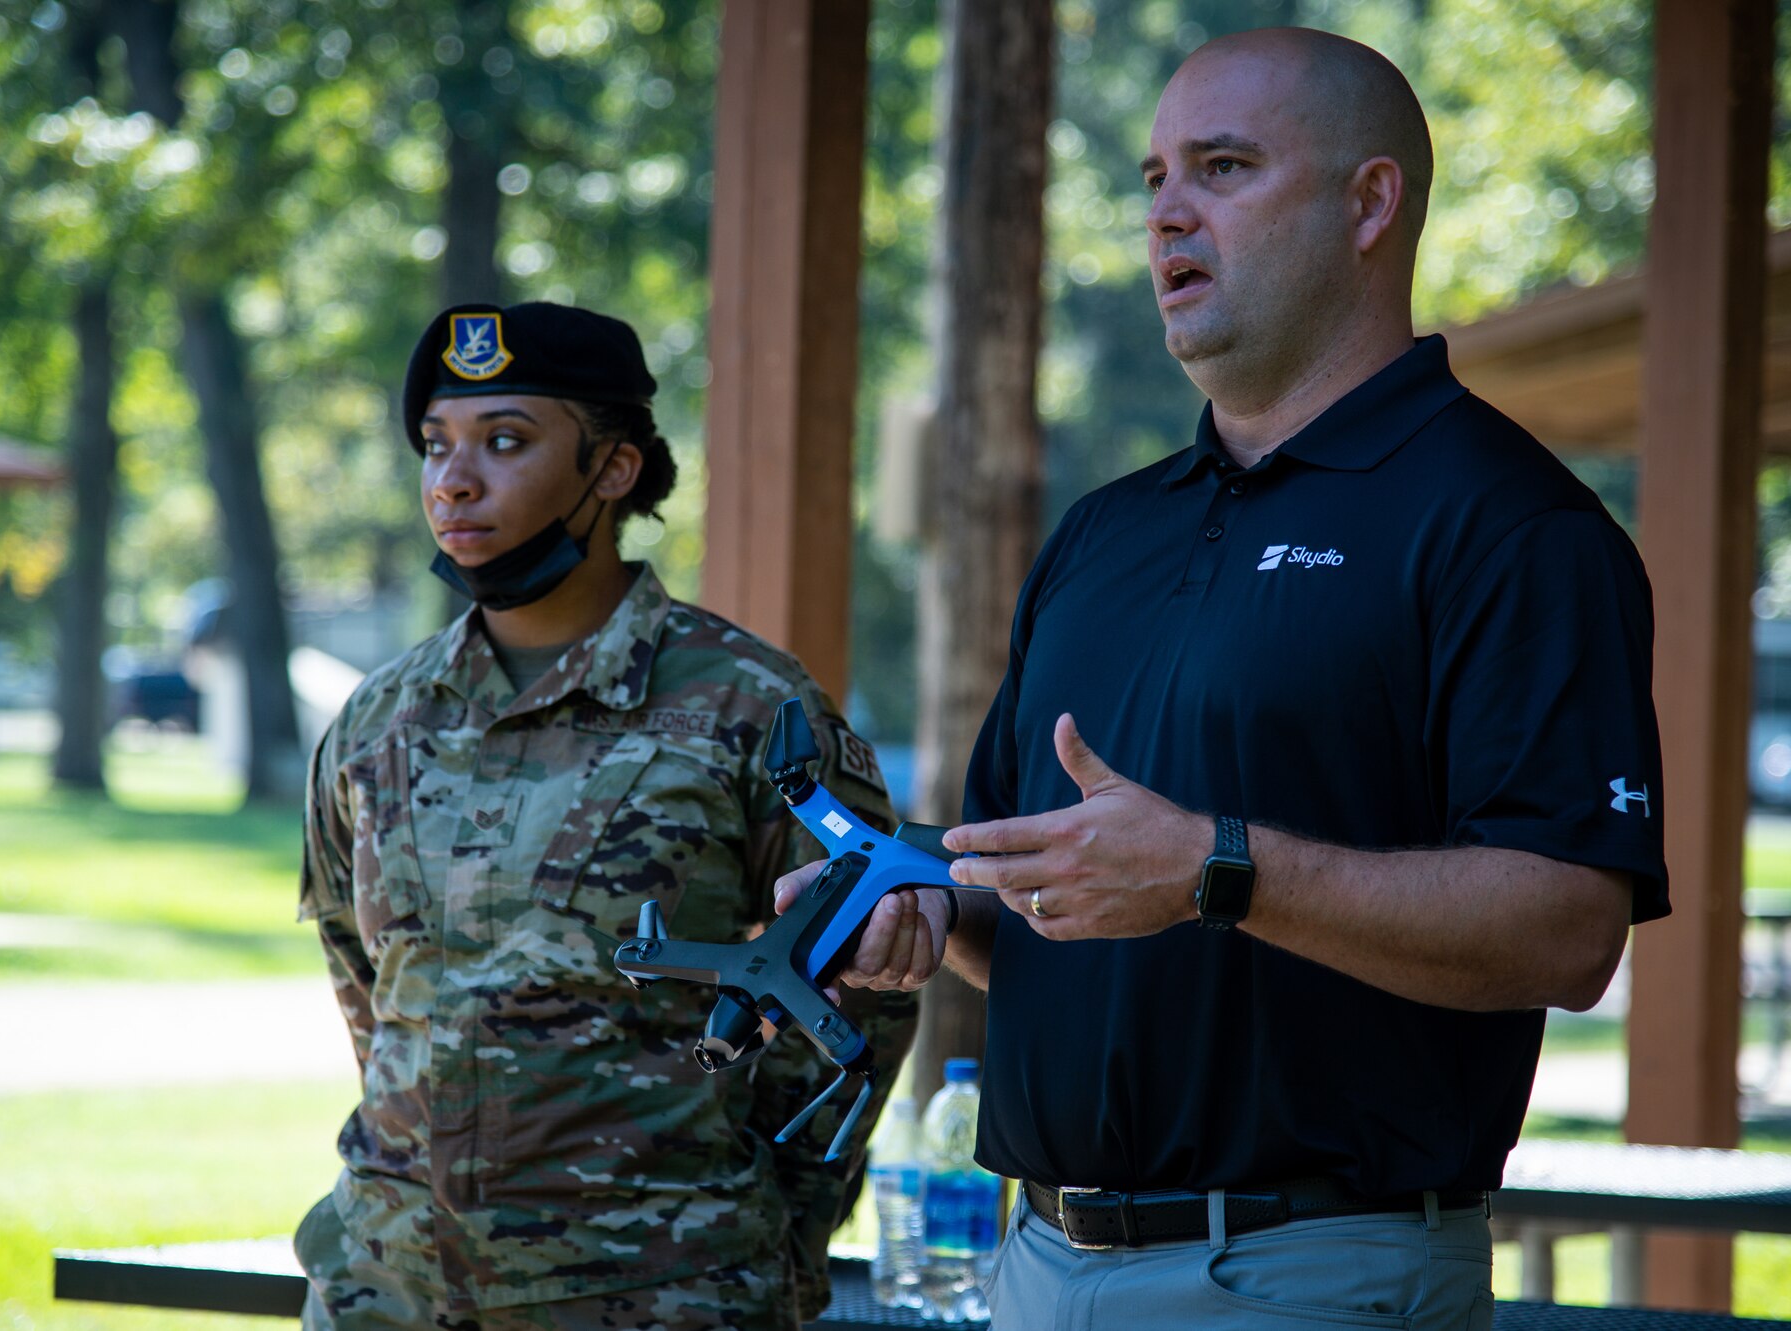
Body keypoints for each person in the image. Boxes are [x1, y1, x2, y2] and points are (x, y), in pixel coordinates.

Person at [782, 26, 1668, 1329]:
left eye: (1225, 167)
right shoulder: (1103, 531)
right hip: (1033, 1263)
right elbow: (1037, 896)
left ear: (1370, 202)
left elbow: (1569, 928)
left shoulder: (1510, 525)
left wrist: (1221, 868)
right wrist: (904, 899)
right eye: (1151, 180)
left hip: (1308, 1272)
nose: (1167, 215)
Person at [296, 301, 915, 1330]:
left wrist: (771, 1224)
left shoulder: (750, 706)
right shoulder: (376, 719)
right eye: (436, 445)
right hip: (389, 1292)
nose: (453, 480)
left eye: (504, 441)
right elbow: (363, 977)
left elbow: (869, 988)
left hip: (659, 1295)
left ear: (614, 467)